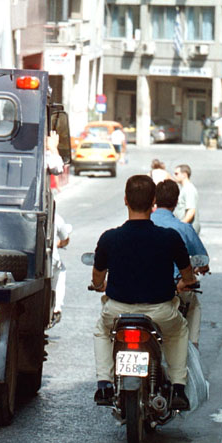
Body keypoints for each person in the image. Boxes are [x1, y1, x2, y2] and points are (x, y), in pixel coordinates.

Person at [90, 174, 197, 410]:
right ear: (153, 202)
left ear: (125, 200)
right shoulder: (170, 237)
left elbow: (97, 277)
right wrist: (186, 283)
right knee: (179, 332)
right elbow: (187, 274)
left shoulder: (109, 238)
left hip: (118, 313)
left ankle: (104, 384)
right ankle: (178, 388)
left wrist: (100, 285)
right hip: (160, 313)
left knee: (101, 331)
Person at [152, 180, 210, 348]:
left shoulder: (141, 226)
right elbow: (202, 258)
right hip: (174, 290)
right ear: (176, 201)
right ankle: (192, 348)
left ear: (154, 199)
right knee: (193, 307)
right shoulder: (183, 229)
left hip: (141, 292)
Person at [50, 210, 72, 327]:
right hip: (51, 261)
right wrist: (59, 244)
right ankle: (56, 308)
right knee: (61, 271)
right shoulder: (55, 217)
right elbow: (65, 239)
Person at [171, 164, 201, 234]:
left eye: (176, 174)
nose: (174, 176)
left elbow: (191, 211)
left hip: (187, 229)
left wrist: (181, 225)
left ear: (184, 175)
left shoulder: (189, 189)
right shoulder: (184, 188)